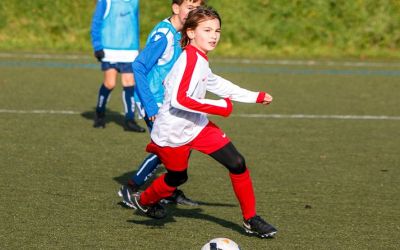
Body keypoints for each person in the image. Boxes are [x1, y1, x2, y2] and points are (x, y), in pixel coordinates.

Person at [131, 6, 278, 238]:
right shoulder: (189, 59)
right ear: (190, 32)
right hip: (173, 132)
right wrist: (220, 107)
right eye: (207, 30)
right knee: (178, 176)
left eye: (217, 30)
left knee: (237, 163)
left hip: (196, 126)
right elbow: (181, 99)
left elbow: (215, 83)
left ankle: (250, 219)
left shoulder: (199, 58)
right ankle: (145, 200)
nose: (214, 35)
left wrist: (254, 96)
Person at [118, 0, 206, 208]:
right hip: (154, 101)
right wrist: (150, 106)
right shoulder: (164, 35)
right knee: (165, 149)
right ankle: (130, 189)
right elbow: (138, 66)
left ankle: (169, 191)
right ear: (176, 8)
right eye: (190, 8)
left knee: (182, 144)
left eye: (198, 9)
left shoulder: (183, 33)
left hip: (168, 101)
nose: (194, 13)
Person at [90, 0, 145, 132]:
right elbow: (96, 22)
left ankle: (129, 120)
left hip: (129, 50)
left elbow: (135, 24)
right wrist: (97, 46)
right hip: (110, 50)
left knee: (129, 83)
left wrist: (136, 48)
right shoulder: (106, 1)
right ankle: (100, 113)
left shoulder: (134, 2)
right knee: (110, 83)